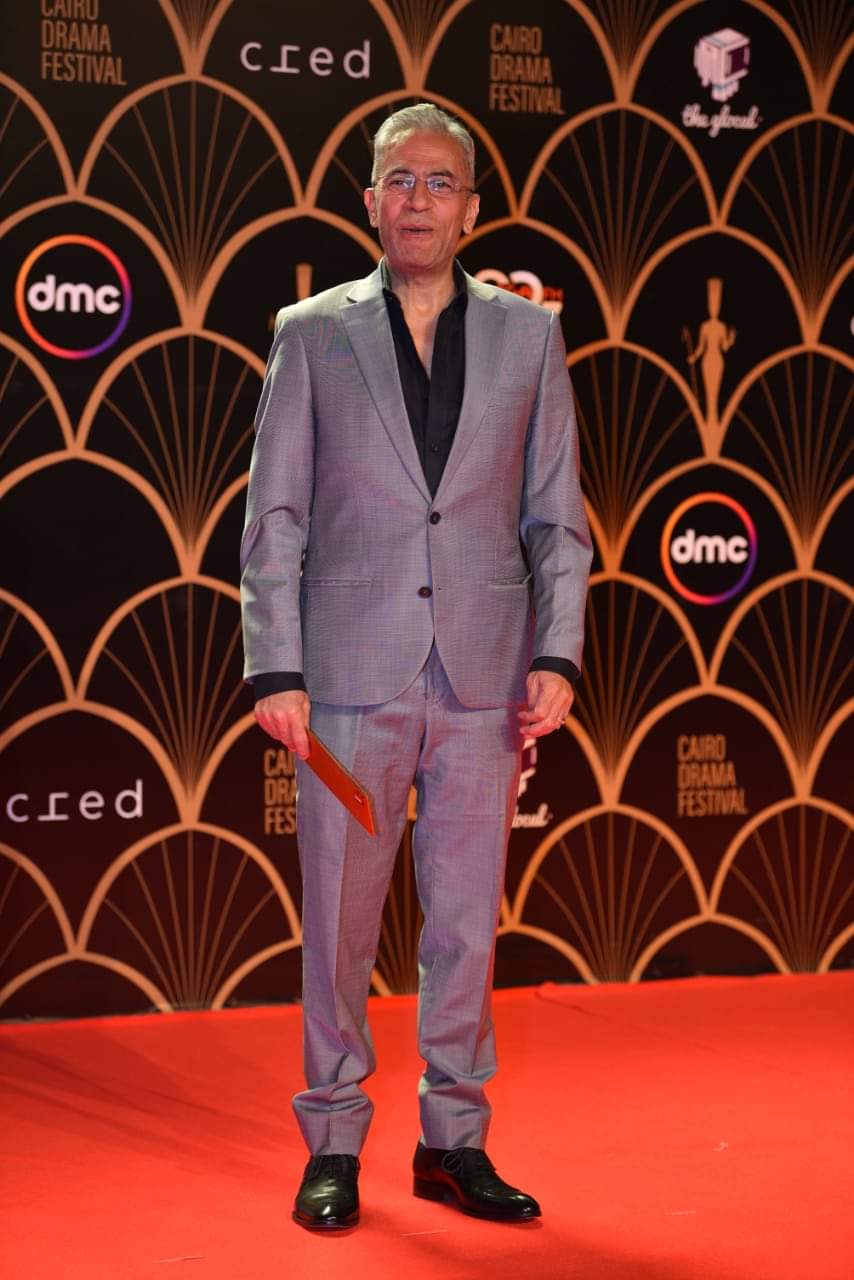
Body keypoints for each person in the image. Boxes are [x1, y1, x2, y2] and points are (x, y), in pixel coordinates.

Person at [240, 102, 592, 1231]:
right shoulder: (311, 332)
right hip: (347, 677)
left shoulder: (529, 336)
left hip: (485, 682)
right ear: (369, 201)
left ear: (471, 208)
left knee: (464, 926)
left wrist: (557, 650)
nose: (418, 200)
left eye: (440, 182)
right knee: (340, 921)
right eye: (399, 180)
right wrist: (275, 668)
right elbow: (275, 514)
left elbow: (556, 517)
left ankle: (453, 1141)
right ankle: (332, 1139)